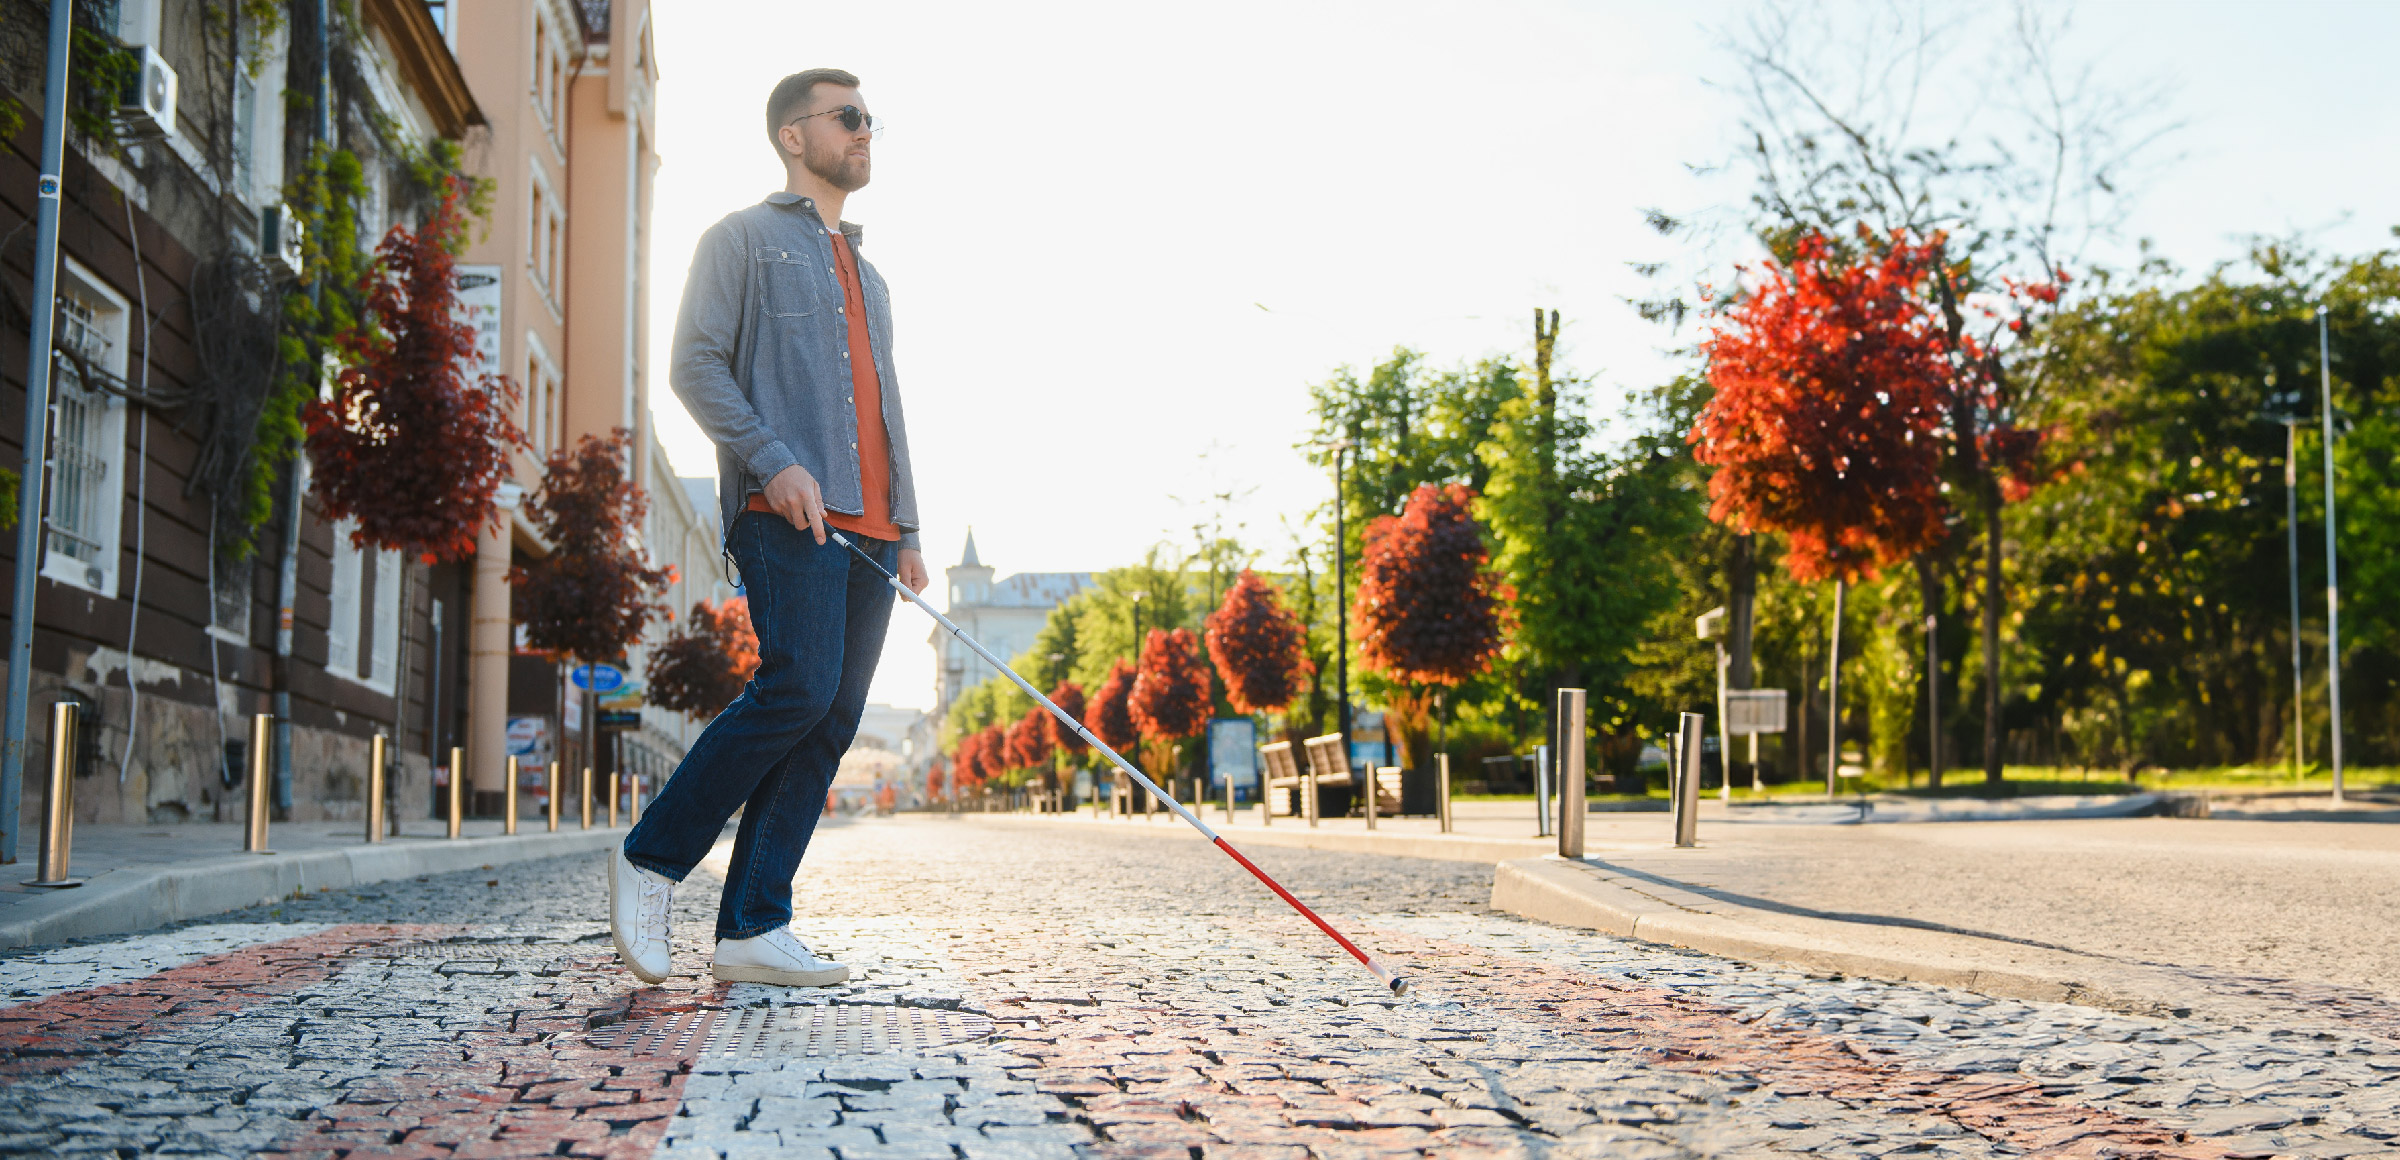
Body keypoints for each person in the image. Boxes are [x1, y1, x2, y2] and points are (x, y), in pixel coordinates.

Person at [610, 68, 930, 987]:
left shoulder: (871, 276)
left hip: (872, 533)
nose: (867, 132)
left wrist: (908, 525)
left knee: (831, 720)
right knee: (796, 689)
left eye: (872, 118)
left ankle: (752, 923)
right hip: (784, 508)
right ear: (796, 135)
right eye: (851, 117)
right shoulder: (740, 240)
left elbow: (888, 410)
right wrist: (772, 457)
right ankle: (652, 856)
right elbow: (694, 364)